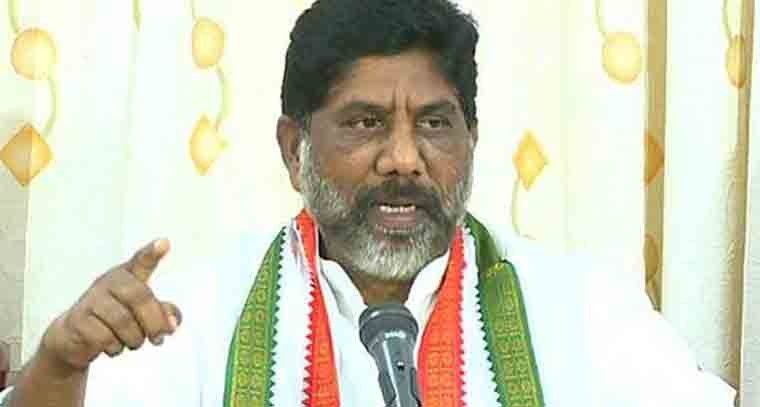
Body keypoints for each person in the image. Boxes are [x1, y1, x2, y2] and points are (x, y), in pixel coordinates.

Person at [0, 0, 738, 405]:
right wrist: (59, 368)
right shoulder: (196, 314)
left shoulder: (582, 307)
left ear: (472, 141)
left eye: (435, 124)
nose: (404, 159)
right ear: (294, 148)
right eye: (365, 123)